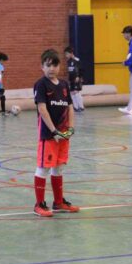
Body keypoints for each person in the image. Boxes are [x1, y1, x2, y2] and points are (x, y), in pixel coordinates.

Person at [32, 49, 79, 217]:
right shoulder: (41, 84)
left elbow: (70, 107)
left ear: (59, 66)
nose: (51, 68)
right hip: (49, 135)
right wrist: (54, 131)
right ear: (42, 67)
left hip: (64, 135)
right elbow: (42, 108)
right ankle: (39, 204)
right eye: (48, 65)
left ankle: (59, 203)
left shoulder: (64, 85)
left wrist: (70, 128)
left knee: (58, 168)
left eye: (54, 65)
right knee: (43, 168)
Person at [64, 46, 85, 112]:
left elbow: (81, 70)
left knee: (76, 91)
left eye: (67, 54)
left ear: (71, 53)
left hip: (76, 79)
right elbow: (70, 71)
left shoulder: (77, 60)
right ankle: (75, 107)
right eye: (65, 54)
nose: (66, 55)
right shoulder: (68, 61)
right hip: (71, 79)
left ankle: (81, 106)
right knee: (72, 92)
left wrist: (79, 76)